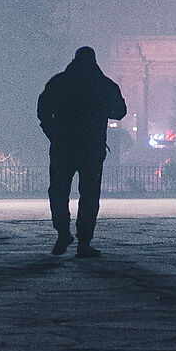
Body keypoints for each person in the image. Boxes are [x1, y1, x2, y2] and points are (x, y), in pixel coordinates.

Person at [37, 45, 126, 258]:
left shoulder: (58, 82)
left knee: (58, 191)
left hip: (63, 146)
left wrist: (53, 133)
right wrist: (100, 111)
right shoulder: (103, 84)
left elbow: (42, 111)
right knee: (89, 195)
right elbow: (120, 112)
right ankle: (84, 242)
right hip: (91, 148)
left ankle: (63, 231)